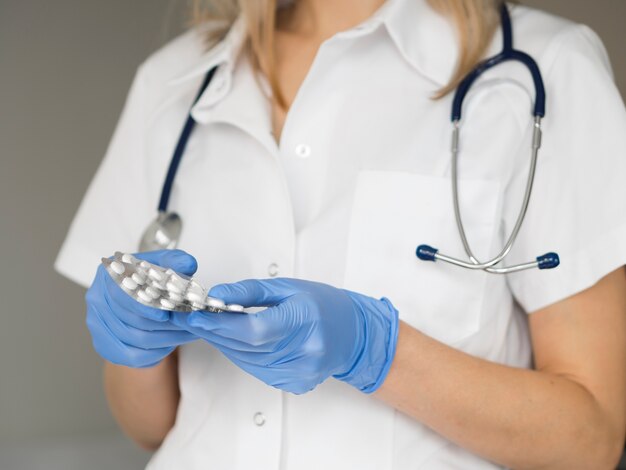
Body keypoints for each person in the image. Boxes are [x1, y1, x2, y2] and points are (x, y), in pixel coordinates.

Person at [55, 0, 626, 468]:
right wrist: (136, 347)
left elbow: (591, 440)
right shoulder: (173, 82)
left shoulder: (543, 67)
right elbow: (149, 428)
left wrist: (372, 348)